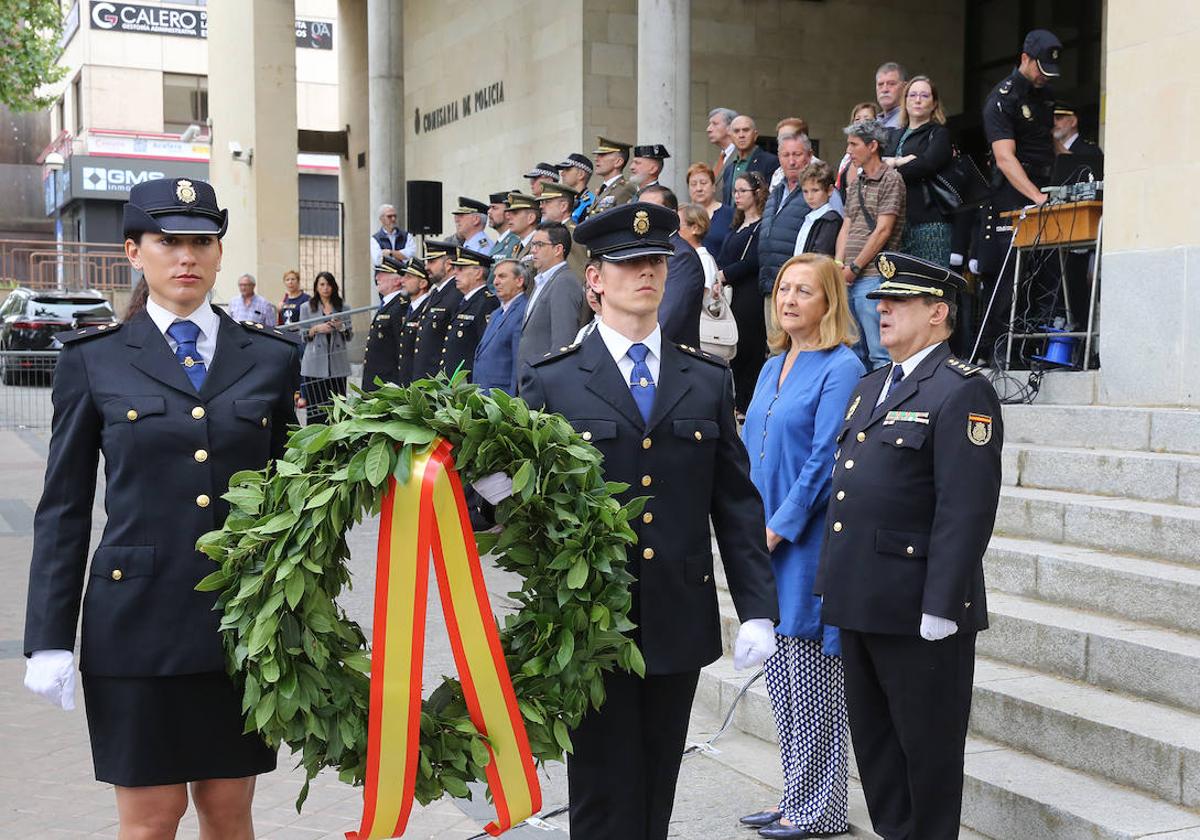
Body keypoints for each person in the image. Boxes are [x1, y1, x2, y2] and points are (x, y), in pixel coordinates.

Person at [23, 177, 298, 839]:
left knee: (229, 815)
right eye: (167, 240)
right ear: (133, 251)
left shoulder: (269, 359)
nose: (187, 256)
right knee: (150, 821)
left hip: (241, 629)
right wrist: (48, 638)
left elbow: (296, 497)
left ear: (219, 253)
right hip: (135, 628)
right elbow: (63, 506)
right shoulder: (95, 362)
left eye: (201, 241)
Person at [518, 201, 779, 840]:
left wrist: (759, 608)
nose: (647, 274)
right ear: (596, 280)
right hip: (588, 618)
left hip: (674, 610)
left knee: (658, 782)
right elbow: (520, 506)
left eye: (657, 262)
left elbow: (736, 501)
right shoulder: (554, 382)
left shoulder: (704, 376)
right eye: (629, 263)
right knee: (603, 790)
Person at [815, 251, 1003, 840]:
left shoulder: (960, 392)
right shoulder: (873, 384)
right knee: (876, 751)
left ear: (939, 313)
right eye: (881, 301)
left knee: (926, 753)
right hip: (861, 598)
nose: (884, 309)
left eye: (900, 301)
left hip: (917, 605)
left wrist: (943, 605)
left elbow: (965, 510)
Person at [738, 254, 863, 839]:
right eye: (784, 289)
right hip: (762, 537)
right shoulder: (770, 366)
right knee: (783, 684)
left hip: (805, 542)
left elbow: (826, 460)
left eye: (804, 291)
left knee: (810, 681)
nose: (789, 300)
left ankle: (823, 808)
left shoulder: (843, 366)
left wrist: (776, 527)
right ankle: (794, 798)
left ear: (829, 302)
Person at [975, 29, 1062, 362]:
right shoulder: (1003, 97)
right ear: (1025, 58)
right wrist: (1036, 197)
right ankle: (999, 353)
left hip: (1045, 187)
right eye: (1040, 68)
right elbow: (1005, 159)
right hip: (1013, 193)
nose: (1044, 77)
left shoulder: (1046, 94)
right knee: (1010, 274)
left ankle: (1036, 349)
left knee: (1047, 271)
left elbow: (1048, 143)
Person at [835, 118, 906, 371]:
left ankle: (880, 406)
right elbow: (847, 225)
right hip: (848, 275)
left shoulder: (891, 179)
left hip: (874, 274)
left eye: (854, 144)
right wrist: (839, 264)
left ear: (873, 145)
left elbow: (883, 230)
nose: (849, 151)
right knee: (852, 349)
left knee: (879, 351)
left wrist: (854, 267)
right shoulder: (855, 183)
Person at [885, 75, 954, 266]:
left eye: (924, 95)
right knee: (901, 289)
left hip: (929, 222)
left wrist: (894, 164)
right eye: (912, 95)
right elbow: (878, 166)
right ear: (905, 101)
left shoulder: (938, 133)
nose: (917, 100)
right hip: (896, 222)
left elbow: (926, 165)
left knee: (930, 287)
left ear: (934, 104)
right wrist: (904, 160)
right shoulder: (894, 135)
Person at [715, 171, 768, 416]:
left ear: (756, 193)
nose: (737, 196)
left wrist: (726, 274)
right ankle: (739, 400)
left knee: (749, 346)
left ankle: (747, 402)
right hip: (731, 289)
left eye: (742, 191)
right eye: (735, 191)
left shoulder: (762, 224)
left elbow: (755, 259)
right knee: (734, 345)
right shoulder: (737, 224)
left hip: (748, 290)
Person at [758, 134, 815, 330]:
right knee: (775, 345)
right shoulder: (776, 190)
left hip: (799, 287)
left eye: (797, 154)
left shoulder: (815, 191)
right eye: (785, 155)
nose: (791, 161)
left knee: (796, 343)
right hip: (772, 283)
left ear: (809, 156)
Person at [639, 185, 705, 348]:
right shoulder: (645, 250)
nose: (643, 217)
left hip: (670, 360)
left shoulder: (682, 257)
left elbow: (666, 319)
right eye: (640, 210)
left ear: (672, 216)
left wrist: (635, 347)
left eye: (652, 210)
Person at [517, 222, 585, 367]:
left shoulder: (564, 282)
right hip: (532, 377)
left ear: (558, 249)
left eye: (539, 245)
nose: (533, 251)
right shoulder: (542, 281)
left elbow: (563, 342)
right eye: (532, 245)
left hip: (546, 380)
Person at [471, 258, 530, 395]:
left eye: (502, 276)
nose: (495, 282)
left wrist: (512, 403)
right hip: (485, 395)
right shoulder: (497, 313)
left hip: (502, 398)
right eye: (495, 276)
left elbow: (518, 362)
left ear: (519, 281)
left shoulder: (523, 311)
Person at [300, 271, 352, 424]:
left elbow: (349, 335)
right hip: (314, 365)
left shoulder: (343, 307)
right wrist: (316, 329)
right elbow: (302, 335)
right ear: (316, 287)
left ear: (334, 286)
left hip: (337, 365)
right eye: (322, 284)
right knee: (316, 409)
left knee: (338, 408)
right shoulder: (306, 307)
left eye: (329, 284)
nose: (326, 288)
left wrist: (341, 326)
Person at [439, 246, 499, 376]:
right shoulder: (464, 301)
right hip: (454, 382)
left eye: (461, 269)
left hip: (469, 382)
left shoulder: (487, 302)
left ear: (478, 273)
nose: (455, 273)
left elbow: (485, 348)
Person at [411, 240, 464, 380]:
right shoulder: (436, 293)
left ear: (448, 265)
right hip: (425, 376)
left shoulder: (456, 293)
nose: (427, 267)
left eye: (432, 261)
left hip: (439, 378)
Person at [362, 255, 408, 391]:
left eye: (383, 274)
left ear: (397, 281)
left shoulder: (400, 307)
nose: (377, 278)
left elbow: (400, 348)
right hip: (376, 380)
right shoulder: (387, 305)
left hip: (387, 382)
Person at [722, 116, 780, 207]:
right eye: (736, 131)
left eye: (746, 130)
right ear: (731, 137)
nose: (741, 135)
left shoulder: (770, 162)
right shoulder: (728, 169)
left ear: (755, 135)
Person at [396, 258, 433, 386]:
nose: (402, 281)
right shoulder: (409, 308)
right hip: (406, 378)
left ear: (423, 283)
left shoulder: (427, 307)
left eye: (409, 277)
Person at [794, 162, 842, 258]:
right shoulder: (809, 217)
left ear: (830, 190)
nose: (810, 197)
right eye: (805, 191)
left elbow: (820, 256)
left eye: (815, 190)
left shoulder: (830, 220)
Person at [836, 102, 881, 203]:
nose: (861, 122)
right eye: (857, 119)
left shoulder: (878, 156)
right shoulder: (847, 158)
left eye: (867, 119)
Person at [687, 162, 733, 257]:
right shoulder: (683, 215)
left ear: (713, 187)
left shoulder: (730, 214)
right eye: (693, 184)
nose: (699, 188)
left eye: (703, 183)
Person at [589, 136, 637, 216]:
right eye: (598, 155)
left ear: (618, 162)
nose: (596, 159)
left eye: (603, 155)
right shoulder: (605, 188)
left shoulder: (625, 189)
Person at [1052, 101, 1104, 174]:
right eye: (1051, 119)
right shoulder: (1047, 150)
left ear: (1073, 121)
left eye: (1059, 118)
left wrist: (1055, 142)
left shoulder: (1090, 150)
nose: (1054, 123)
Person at [677, 203, 718, 290]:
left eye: (677, 227)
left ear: (695, 228)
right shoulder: (685, 256)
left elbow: (700, 295)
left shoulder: (704, 260)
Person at [370, 202, 416, 268]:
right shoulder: (375, 239)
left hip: (403, 275)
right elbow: (378, 261)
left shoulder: (406, 236)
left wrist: (390, 253)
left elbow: (410, 256)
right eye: (389, 216)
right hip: (385, 276)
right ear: (381, 219)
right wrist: (400, 255)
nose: (393, 219)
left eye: (395, 216)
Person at [558, 153, 597, 221]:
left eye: (567, 169)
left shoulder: (590, 203)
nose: (562, 173)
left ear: (581, 174)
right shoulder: (567, 200)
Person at [505, 192, 541, 262]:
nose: (508, 217)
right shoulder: (518, 246)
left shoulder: (540, 244)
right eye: (509, 213)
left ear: (531, 218)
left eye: (515, 213)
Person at [488, 191, 521, 262]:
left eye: (494, 208)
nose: (489, 212)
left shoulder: (515, 241)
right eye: (490, 208)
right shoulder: (500, 241)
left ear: (508, 213)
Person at [707, 106, 738, 180]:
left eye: (715, 124)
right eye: (709, 124)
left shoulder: (740, 156)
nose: (708, 129)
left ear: (730, 127)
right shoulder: (720, 158)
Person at [875, 62, 908, 129]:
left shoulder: (912, 121)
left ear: (905, 87)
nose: (884, 90)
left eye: (891, 84)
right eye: (880, 84)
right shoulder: (873, 122)